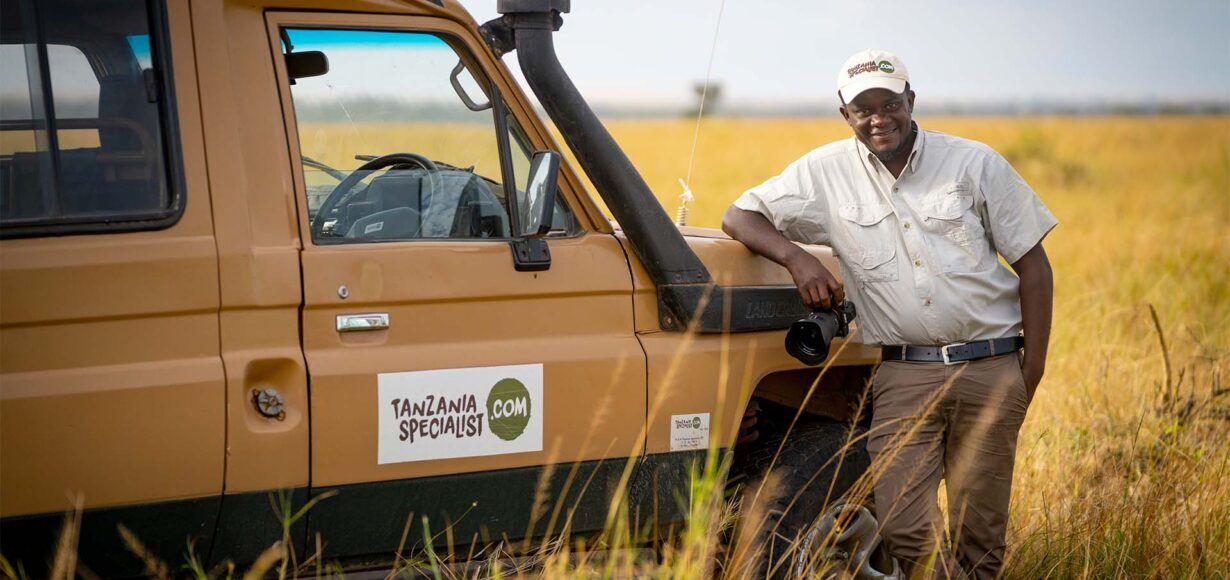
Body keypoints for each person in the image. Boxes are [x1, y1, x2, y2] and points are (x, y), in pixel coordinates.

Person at [722, 49, 1057, 579]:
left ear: (910, 100)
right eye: (864, 109)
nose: (880, 118)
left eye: (890, 103)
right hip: (905, 372)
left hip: (990, 367)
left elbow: (1034, 268)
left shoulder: (973, 163)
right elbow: (738, 216)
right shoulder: (824, 172)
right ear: (845, 114)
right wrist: (796, 257)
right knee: (902, 523)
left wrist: (1029, 371)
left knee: (981, 533)